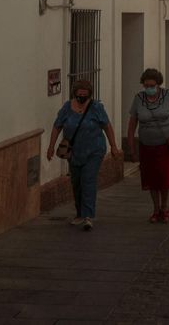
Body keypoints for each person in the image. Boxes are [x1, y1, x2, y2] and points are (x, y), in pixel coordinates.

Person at [46, 78, 118, 231]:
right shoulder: (67, 107)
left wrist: (114, 146)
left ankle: (88, 216)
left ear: (90, 95)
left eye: (85, 95)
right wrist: (51, 146)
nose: (81, 98)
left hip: (94, 150)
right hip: (74, 152)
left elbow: (106, 126)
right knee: (76, 182)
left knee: (88, 180)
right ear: (75, 94)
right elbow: (57, 126)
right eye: (79, 95)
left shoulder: (96, 108)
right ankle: (79, 212)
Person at [126, 67, 169, 224]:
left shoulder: (168, 96)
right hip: (146, 144)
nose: (149, 88)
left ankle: (165, 207)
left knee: (164, 175)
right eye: (146, 85)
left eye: (152, 85)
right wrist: (131, 147)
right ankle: (155, 209)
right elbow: (132, 123)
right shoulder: (138, 99)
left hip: (165, 144)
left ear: (158, 84)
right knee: (151, 177)